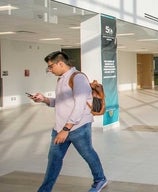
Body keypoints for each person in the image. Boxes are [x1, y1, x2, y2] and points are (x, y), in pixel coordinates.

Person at [30, 51, 108, 192]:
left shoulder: (78, 78)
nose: (50, 70)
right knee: (53, 160)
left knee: (88, 154)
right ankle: (44, 190)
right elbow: (60, 102)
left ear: (60, 63)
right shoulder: (61, 79)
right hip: (60, 128)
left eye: (51, 66)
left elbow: (79, 105)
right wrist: (45, 99)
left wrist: (66, 129)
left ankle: (100, 179)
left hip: (78, 127)